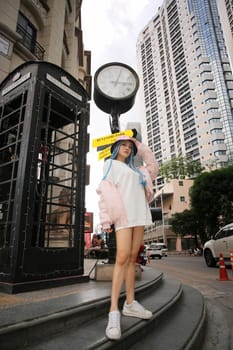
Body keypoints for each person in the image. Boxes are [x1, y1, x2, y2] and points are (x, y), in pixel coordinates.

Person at [96, 135, 159, 340]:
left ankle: (130, 304)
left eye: (129, 146)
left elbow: (153, 165)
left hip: (139, 214)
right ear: (116, 148)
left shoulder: (138, 170)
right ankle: (113, 310)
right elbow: (104, 192)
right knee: (122, 258)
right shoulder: (111, 164)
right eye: (122, 145)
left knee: (133, 258)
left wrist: (139, 146)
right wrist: (106, 220)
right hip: (123, 216)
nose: (127, 148)